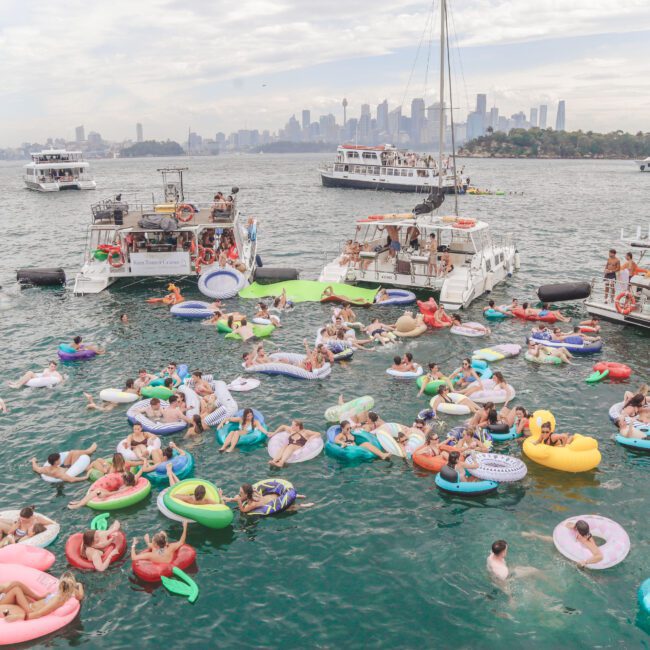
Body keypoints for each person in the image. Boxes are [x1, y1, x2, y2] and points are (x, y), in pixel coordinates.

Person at [0, 572, 84, 622]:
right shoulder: (68, 593)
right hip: (32, 604)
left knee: (16, 589)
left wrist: (18, 616)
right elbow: (80, 596)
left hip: (30, 610)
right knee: (16, 584)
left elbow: (38, 614)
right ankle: (37, 597)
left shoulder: (58, 600)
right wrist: (79, 585)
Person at [68, 469, 143, 510]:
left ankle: (78, 505)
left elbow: (117, 493)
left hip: (113, 496)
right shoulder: (134, 480)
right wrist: (145, 460)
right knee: (98, 489)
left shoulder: (128, 487)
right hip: (114, 493)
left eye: (123, 477)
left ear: (126, 481)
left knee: (97, 491)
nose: (121, 478)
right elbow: (140, 471)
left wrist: (106, 494)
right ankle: (80, 501)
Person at [223, 483, 313, 513]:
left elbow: (243, 510)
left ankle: (304, 505)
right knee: (285, 496)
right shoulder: (252, 493)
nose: (239, 493)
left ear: (246, 494)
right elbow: (242, 498)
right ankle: (297, 495)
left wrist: (238, 501)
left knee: (289, 508)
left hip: (274, 501)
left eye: (241, 492)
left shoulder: (253, 504)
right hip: (272, 496)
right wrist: (228, 499)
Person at [30, 445, 97, 482]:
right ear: (56, 462)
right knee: (77, 452)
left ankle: (89, 451)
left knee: (72, 452)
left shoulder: (45, 469)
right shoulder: (58, 473)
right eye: (59, 459)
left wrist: (33, 461)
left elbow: (35, 468)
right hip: (70, 469)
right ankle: (90, 451)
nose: (60, 459)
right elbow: (72, 480)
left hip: (64, 467)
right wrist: (86, 477)